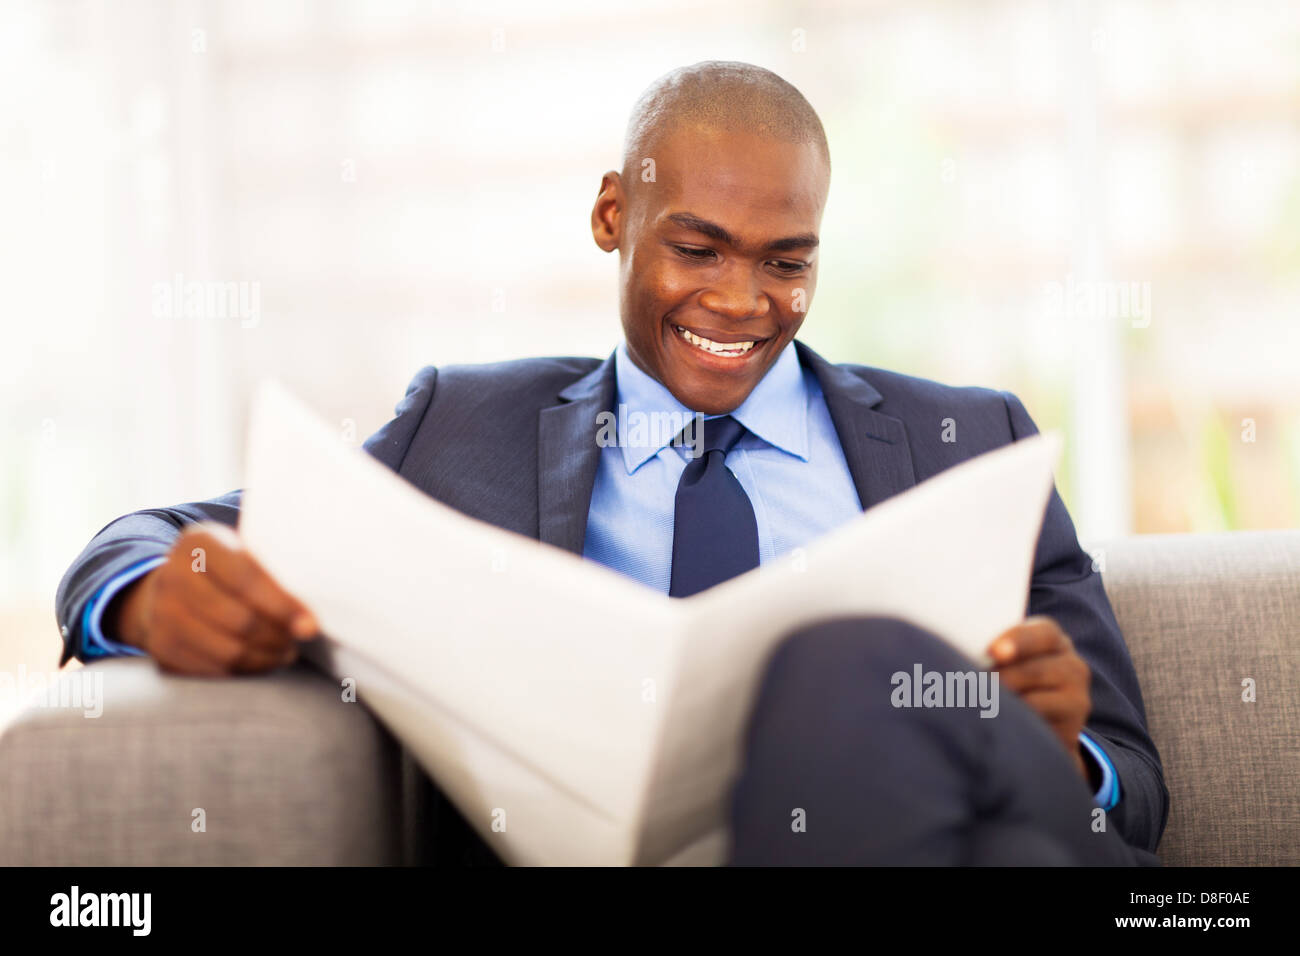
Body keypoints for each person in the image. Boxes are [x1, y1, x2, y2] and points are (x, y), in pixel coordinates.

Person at [55, 61, 1167, 865]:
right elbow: (168, 530)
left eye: (786, 262)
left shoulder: (970, 442)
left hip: (965, 815)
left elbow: (1136, 786)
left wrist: (1071, 753)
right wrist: (153, 593)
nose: (740, 302)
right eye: (696, 248)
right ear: (610, 215)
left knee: (850, 669)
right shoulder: (465, 428)